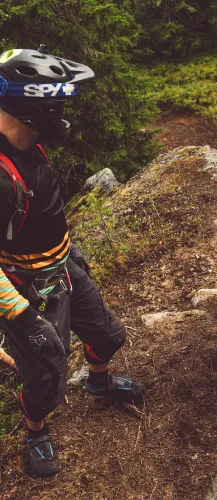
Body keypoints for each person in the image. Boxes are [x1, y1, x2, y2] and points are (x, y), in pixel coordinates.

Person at [0, 45, 144, 478]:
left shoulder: (25, 142)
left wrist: (69, 250)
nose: (62, 116)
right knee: (46, 379)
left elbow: (43, 209)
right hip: (25, 290)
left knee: (108, 334)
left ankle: (98, 379)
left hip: (62, 265)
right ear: (28, 109)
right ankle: (35, 432)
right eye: (56, 106)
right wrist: (23, 318)